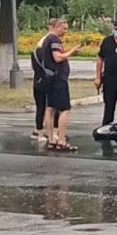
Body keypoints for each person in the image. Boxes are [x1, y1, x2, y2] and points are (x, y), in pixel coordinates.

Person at [43, 18, 81, 151]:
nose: (66, 31)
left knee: (50, 108)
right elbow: (57, 57)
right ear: (56, 27)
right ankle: (61, 140)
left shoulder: (46, 39)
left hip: (49, 78)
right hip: (58, 78)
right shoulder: (54, 40)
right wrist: (72, 52)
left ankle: (51, 139)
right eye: (64, 28)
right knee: (64, 109)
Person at [30, 18, 59, 141]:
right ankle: (50, 132)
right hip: (46, 78)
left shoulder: (41, 42)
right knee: (52, 106)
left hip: (39, 78)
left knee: (41, 106)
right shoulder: (48, 41)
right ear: (52, 27)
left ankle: (39, 130)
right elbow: (52, 60)